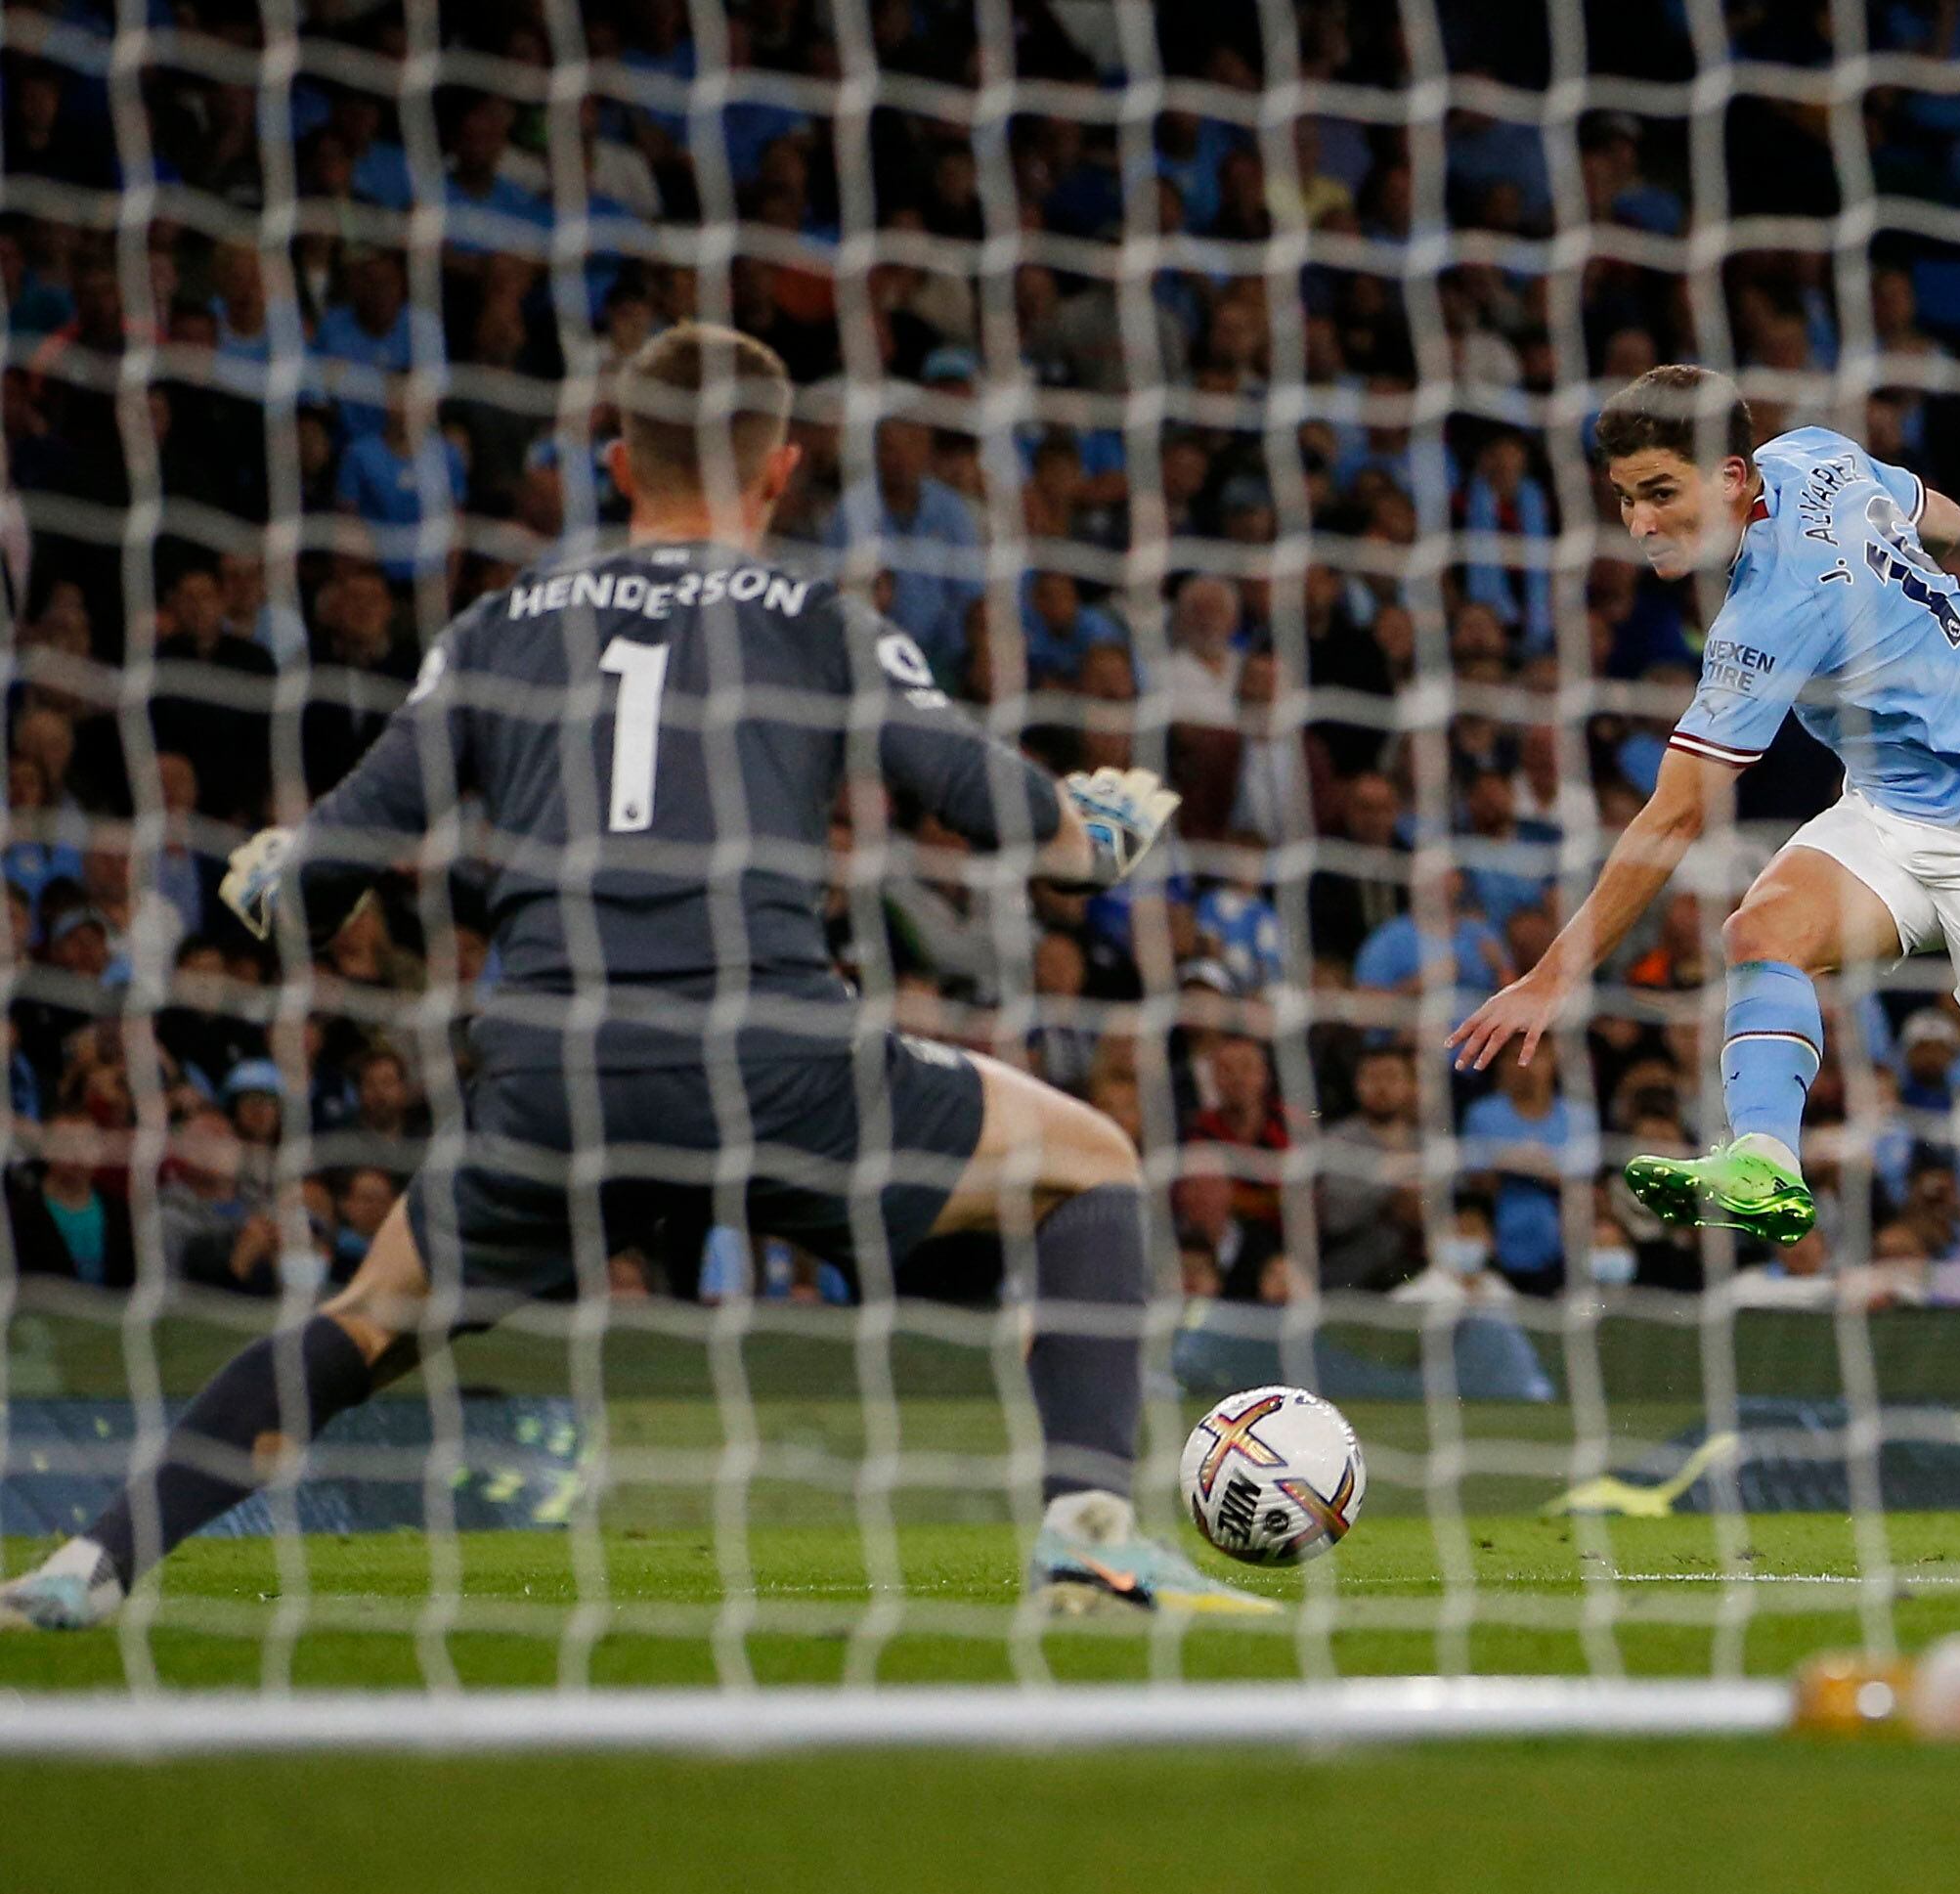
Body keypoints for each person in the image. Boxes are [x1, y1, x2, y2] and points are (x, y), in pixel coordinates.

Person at [1, 323, 1259, 1632]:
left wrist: (275, 875)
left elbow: (323, 884)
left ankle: (84, 1569)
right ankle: (1087, 1539)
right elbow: (1004, 816)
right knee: (1091, 1163)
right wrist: (1091, 829)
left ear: (615, 461)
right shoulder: (818, 616)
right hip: (770, 1054)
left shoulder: (499, 627)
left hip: (553, 1073)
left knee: (371, 1314)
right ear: (781, 470)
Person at [1447, 366, 1960, 1247]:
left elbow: (1674, 819)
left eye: (1660, 493)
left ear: (1731, 476)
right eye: (1624, 498)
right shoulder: (1816, 452)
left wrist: (1554, 974)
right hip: (1889, 806)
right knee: (1762, 930)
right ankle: (1763, 1159)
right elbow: (1944, 520)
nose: (1641, 523)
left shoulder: (1768, 611)